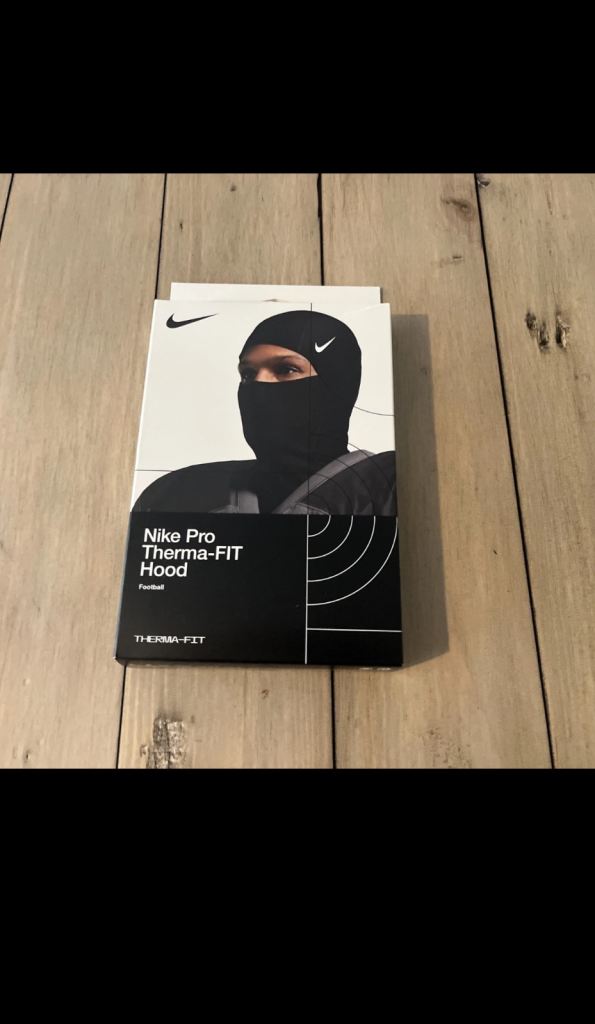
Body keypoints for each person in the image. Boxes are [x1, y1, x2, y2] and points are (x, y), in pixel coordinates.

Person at [133, 310, 396, 515]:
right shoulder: (178, 493)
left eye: (286, 370)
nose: (259, 386)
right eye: (248, 374)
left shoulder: (389, 488)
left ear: (336, 386)